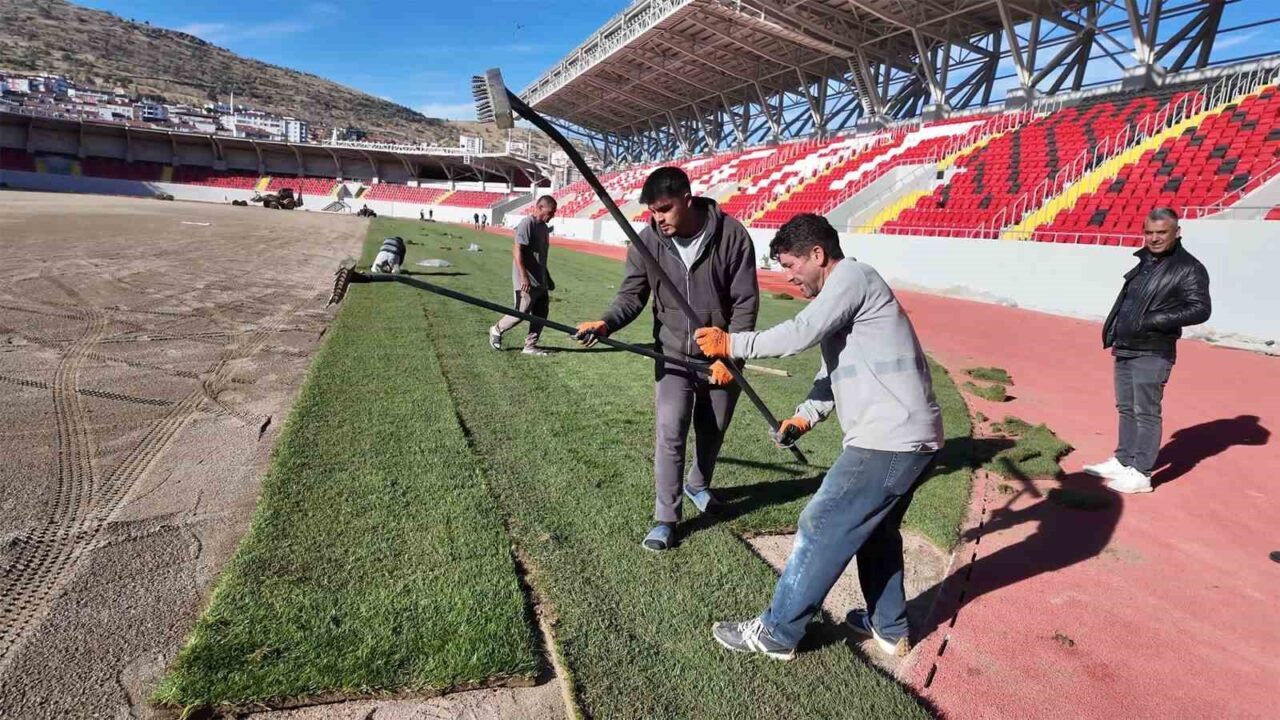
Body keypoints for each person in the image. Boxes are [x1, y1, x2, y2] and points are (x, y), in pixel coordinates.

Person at [692, 213, 942, 661]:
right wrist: (805, 416)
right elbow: (833, 370)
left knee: (820, 524)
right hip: (910, 438)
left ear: (818, 255)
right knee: (876, 533)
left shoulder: (852, 277)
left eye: (791, 265)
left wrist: (733, 344)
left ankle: (777, 632)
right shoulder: (851, 292)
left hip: (887, 439)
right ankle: (890, 627)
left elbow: (799, 333)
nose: (788, 276)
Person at [573, 167, 759, 552]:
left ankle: (698, 484)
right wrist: (606, 323)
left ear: (687, 199)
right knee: (671, 431)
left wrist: (731, 354)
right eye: (652, 212)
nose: (658, 218)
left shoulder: (731, 235)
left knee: (713, 428)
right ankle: (666, 519)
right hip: (672, 355)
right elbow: (631, 297)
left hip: (721, 358)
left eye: (664, 209)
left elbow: (744, 303)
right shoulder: (647, 243)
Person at [1083, 207, 1211, 494]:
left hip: (1153, 349)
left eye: (1161, 233)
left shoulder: (1189, 267)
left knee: (1146, 411)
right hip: (1127, 345)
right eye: (1149, 232)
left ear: (1177, 233)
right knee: (1126, 407)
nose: (1154, 238)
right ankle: (1123, 459)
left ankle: (1141, 473)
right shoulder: (1145, 260)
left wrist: (1153, 321)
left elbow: (1201, 308)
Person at [489, 195, 558, 356]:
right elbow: (517, 250)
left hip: (540, 281)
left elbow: (540, 256)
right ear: (540, 208)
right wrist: (524, 276)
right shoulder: (527, 224)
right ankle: (496, 329)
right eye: (551, 212)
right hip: (525, 281)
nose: (553, 215)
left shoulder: (543, 228)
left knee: (541, 314)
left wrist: (547, 278)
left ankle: (530, 346)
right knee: (520, 313)